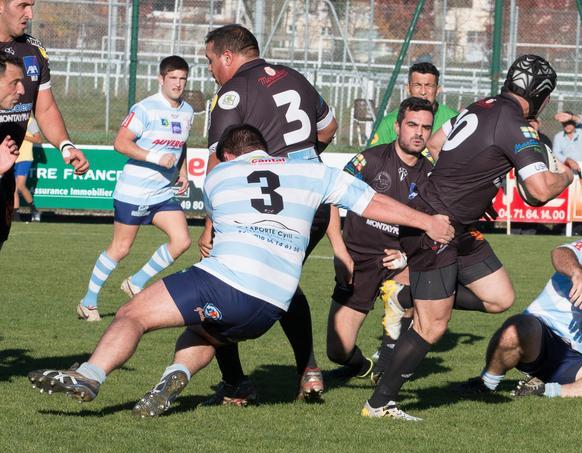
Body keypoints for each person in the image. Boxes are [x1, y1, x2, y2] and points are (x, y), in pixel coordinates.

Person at [27, 125, 454, 417]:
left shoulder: (218, 177)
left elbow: (218, 223)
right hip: (272, 304)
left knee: (132, 314)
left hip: (226, 278)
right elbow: (372, 202)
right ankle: (175, 375)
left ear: (229, 154)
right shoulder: (312, 171)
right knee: (206, 331)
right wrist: (427, 222)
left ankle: (89, 376)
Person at [361, 54, 576, 421]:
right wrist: (568, 174)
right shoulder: (515, 123)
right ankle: (379, 405)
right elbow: (540, 191)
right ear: (540, 96)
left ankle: (406, 294)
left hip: (459, 224)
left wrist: (475, 187)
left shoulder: (481, 106)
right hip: (436, 225)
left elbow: (436, 143)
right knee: (432, 325)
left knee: (499, 297)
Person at [199, 24, 337, 403]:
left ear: (228, 57)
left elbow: (219, 164)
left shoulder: (233, 92)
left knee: (221, 280)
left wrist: (210, 224)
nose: (210, 69)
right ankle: (309, 371)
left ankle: (235, 383)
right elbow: (329, 128)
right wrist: (299, 165)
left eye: (210, 60)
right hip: (313, 203)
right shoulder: (295, 77)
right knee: (284, 279)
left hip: (267, 204)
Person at [459, 227, 582, 399]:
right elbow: (560, 252)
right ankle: (486, 383)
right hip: (539, 337)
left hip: (573, 361)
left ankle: (545, 390)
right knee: (516, 327)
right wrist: (577, 273)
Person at [76, 56, 194, 322]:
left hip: (162, 193)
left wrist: (183, 170)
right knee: (121, 248)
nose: (178, 84)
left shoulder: (187, 110)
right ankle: (88, 302)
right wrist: (155, 158)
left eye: (182, 79)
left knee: (182, 241)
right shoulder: (145, 108)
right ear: (160, 79)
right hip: (135, 192)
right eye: (172, 78)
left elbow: (181, 143)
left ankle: (135, 282)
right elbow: (121, 143)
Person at [325, 97, 434, 382]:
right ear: (397, 127)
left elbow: (437, 227)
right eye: (412, 125)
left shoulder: (432, 176)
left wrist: (408, 257)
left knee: (414, 281)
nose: (419, 132)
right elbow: (330, 197)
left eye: (426, 127)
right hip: (358, 261)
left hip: (399, 262)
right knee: (337, 350)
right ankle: (363, 367)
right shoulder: (370, 160)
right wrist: (339, 251)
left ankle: (387, 365)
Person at [0, 0, 89, 252]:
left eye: (32, 6)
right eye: (22, 6)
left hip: (5, 172)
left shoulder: (33, 50)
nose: (30, 14)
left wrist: (65, 146)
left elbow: (45, 107)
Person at [367, 62, 458, 147]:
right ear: (408, 89)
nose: (423, 92)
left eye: (428, 86)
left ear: (437, 90)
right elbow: (374, 156)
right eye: (417, 85)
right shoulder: (388, 123)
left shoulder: (455, 120)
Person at [13, 117, 40, 221]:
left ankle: (33, 209)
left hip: (25, 158)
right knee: (13, 188)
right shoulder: (9, 118)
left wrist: (23, 136)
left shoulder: (30, 121)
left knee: (20, 185)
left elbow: (38, 139)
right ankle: (15, 216)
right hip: (12, 157)